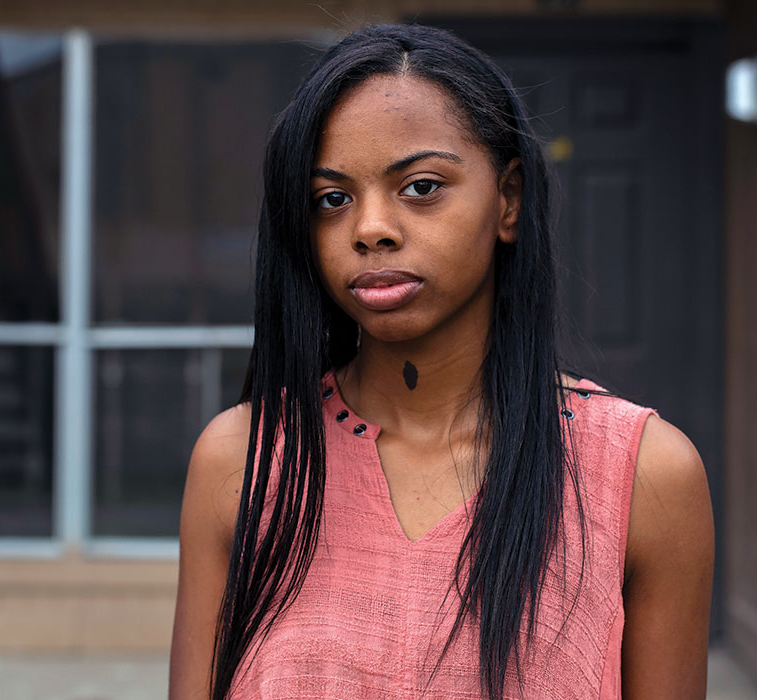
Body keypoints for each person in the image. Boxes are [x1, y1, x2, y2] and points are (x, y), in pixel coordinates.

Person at [170, 23, 713, 700]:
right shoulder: (244, 461)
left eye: (421, 186)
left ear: (508, 201)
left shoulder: (644, 476)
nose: (370, 228)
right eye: (331, 200)